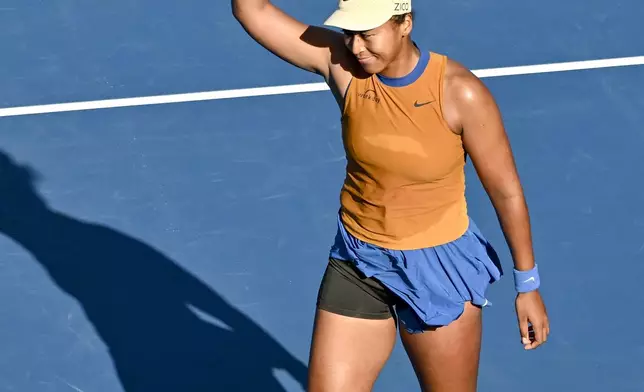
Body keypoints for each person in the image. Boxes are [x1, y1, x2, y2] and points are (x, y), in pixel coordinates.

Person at [231, 0, 550, 391]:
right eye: (350, 33)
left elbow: (506, 192)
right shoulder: (344, 66)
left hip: (438, 271)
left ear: (405, 24)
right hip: (359, 262)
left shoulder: (459, 93)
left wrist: (527, 285)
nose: (357, 46)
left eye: (368, 33)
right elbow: (252, 10)